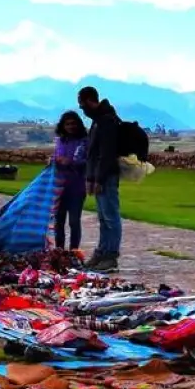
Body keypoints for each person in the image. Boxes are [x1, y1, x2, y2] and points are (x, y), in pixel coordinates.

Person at [78, 85, 122, 272]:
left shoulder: (107, 121)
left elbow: (106, 154)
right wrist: (89, 178)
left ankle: (110, 256)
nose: (82, 109)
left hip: (107, 177)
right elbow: (92, 153)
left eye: (82, 105)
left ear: (90, 101)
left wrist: (98, 179)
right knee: (103, 218)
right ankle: (102, 252)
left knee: (111, 217)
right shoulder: (98, 121)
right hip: (97, 176)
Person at [52, 110, 88, 251]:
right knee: (59, 222)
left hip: (77, 187)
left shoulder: (84, 142)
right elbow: (56, 158)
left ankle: (74, 252)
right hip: (60, 187)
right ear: (63, 126)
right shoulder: (61, 142)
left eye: (73, 123)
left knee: (74, 221)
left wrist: (72, 162)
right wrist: (55, 161)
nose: (71, 126)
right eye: (67, 124)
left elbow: (89, 161)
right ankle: (59, 251)